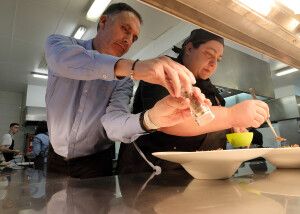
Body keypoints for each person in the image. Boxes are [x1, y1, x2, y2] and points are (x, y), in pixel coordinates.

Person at [45, 3, 203, 179]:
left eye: (134, 38)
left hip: (96, 161)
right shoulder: (60, 43)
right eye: (125, 29)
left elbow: (113, 122)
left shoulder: (124, 80)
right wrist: (133, 66)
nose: (129, 40)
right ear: (103, 21)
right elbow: (63, 61)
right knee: (53, 205)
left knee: (95, 207)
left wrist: (151, 119)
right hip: (55, 157)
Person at [117, 29, 269, 174]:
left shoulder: (213, 93)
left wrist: (232, 127)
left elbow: (213, 125)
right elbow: (168, 122)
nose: (213, 63)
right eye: (209, 54)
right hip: (153, 174)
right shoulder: (164, 73)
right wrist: (231, 115)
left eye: (218, 59)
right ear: (189, 48)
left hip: (201, 174)